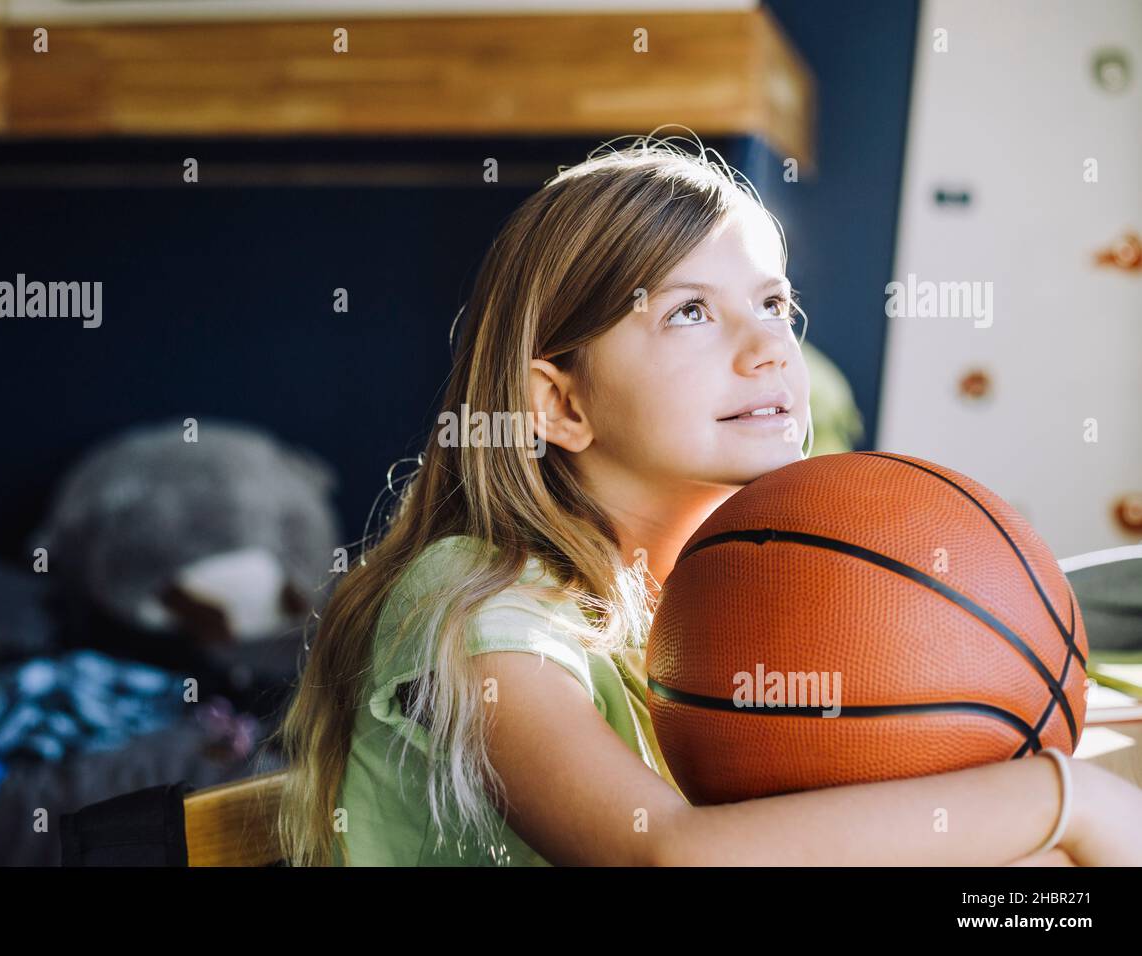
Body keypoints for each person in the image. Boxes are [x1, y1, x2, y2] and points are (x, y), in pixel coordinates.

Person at [275, 129, 1142, 867]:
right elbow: (672, 854)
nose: (768, 347)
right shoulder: (475, 600)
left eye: (775, 303)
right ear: (560, 404)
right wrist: (1064, 796)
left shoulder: (714, 611)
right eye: (689, 311)